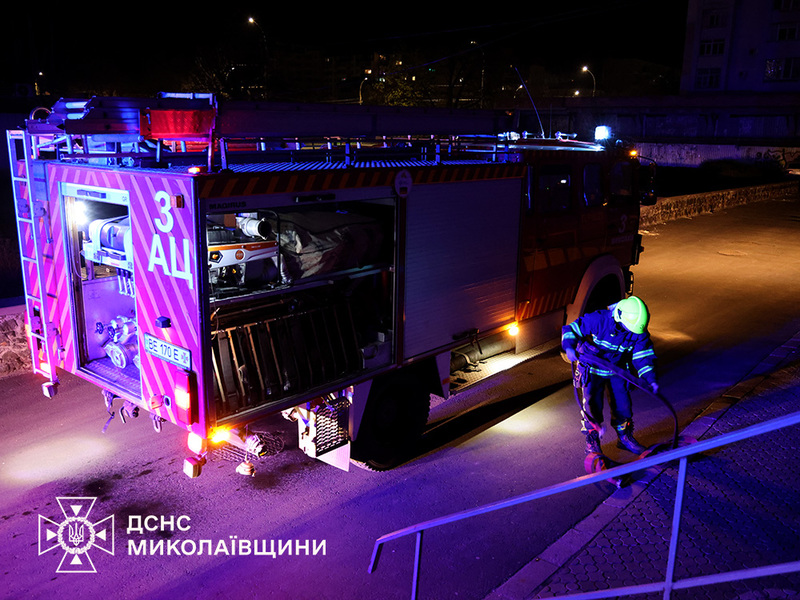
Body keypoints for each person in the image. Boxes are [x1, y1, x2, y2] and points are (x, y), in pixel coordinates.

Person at [562, 296, 658, 456]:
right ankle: (592, 441)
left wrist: (651, 379)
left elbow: (643, 356)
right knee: (592, 406)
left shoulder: (638, 331)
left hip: (617, 370)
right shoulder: (600, 319)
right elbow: (571, 329)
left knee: (623, 405)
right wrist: (569, 347)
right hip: (593, 369)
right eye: (628, 329)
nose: (630, 333)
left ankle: (624, 437)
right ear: (619, 317)